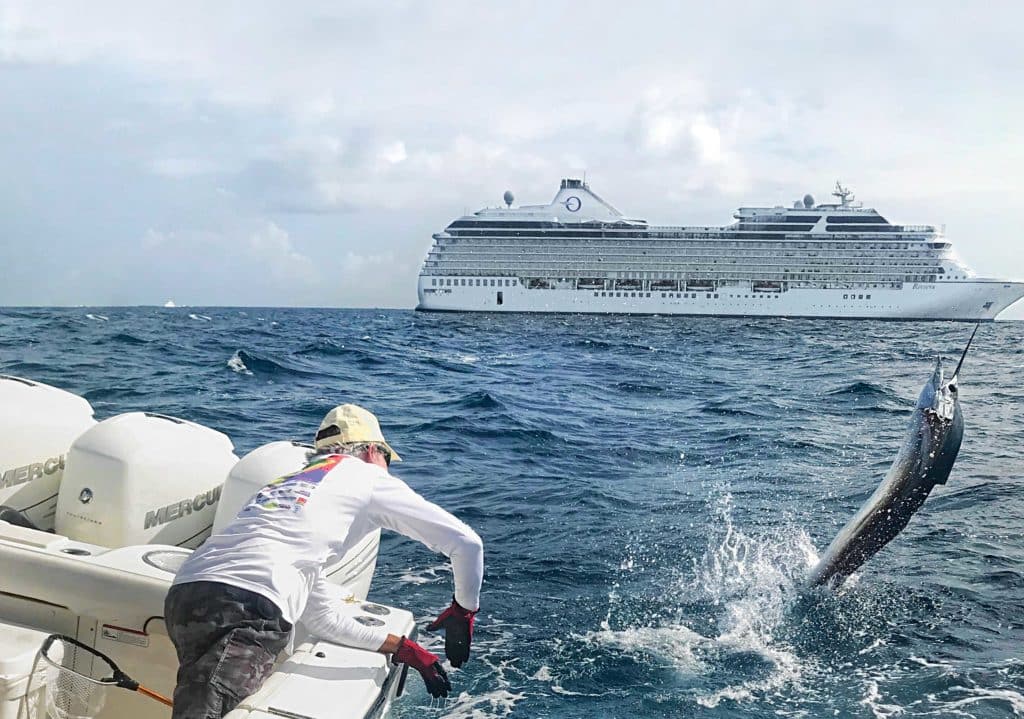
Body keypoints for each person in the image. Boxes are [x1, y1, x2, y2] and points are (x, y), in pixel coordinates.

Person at [164, 404, 484, 719]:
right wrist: (463, 611)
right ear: (373, 451)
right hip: (248, 606)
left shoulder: (292, 484)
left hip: (187, 593)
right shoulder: (369, 476)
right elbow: (467, 544)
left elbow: (322, 620)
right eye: (387, 458)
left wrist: (403, 648)